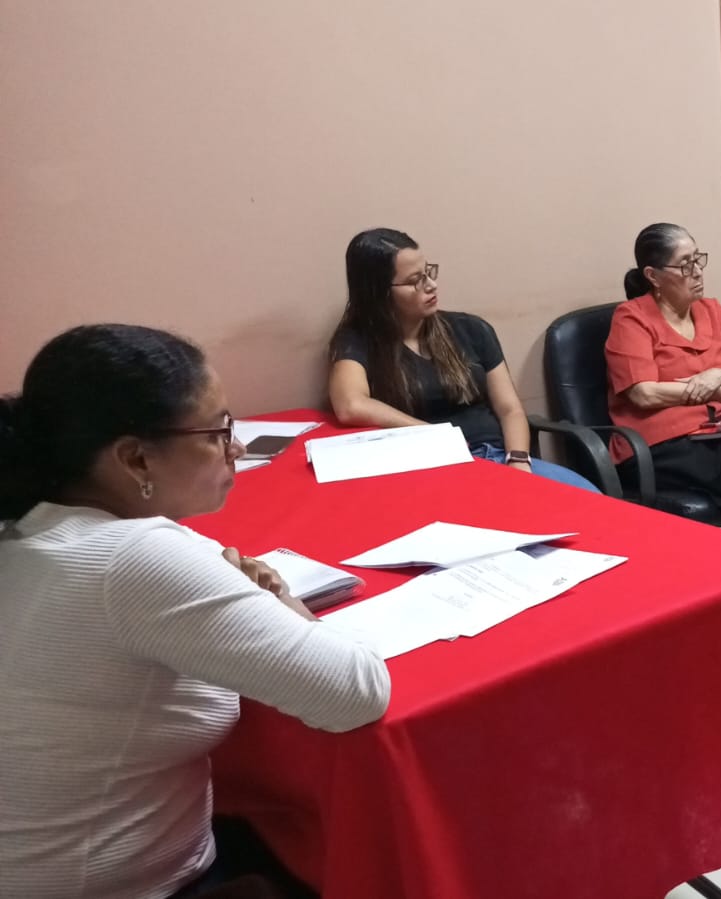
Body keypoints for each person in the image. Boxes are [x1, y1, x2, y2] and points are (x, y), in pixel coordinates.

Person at [0, 324, 391, 899]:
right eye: (218, 431)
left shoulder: (30, 525)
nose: (238, 448)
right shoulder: (134, 558)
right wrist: (279, 599)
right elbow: (357, 691)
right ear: (135, 459)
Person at [327, 227, 598, 492]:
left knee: (590, 500)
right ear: (379, 293)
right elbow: (351, 405)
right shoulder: (358, 341)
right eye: (415, 280)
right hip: (433, 468)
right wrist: (435, 435)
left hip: (500, 457)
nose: (431, 285)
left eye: (429, 272)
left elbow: (510, 409)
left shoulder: (470, 329)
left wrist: (518, 461)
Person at [605, 223, 721, 543]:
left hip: (718, 434)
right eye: (685, 264)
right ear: (653, 276)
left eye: (698, 259)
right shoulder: (632, 318)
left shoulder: (712, 311)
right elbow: (644, 393)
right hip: (659, 444)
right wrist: (717, 390)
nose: (697, 271)